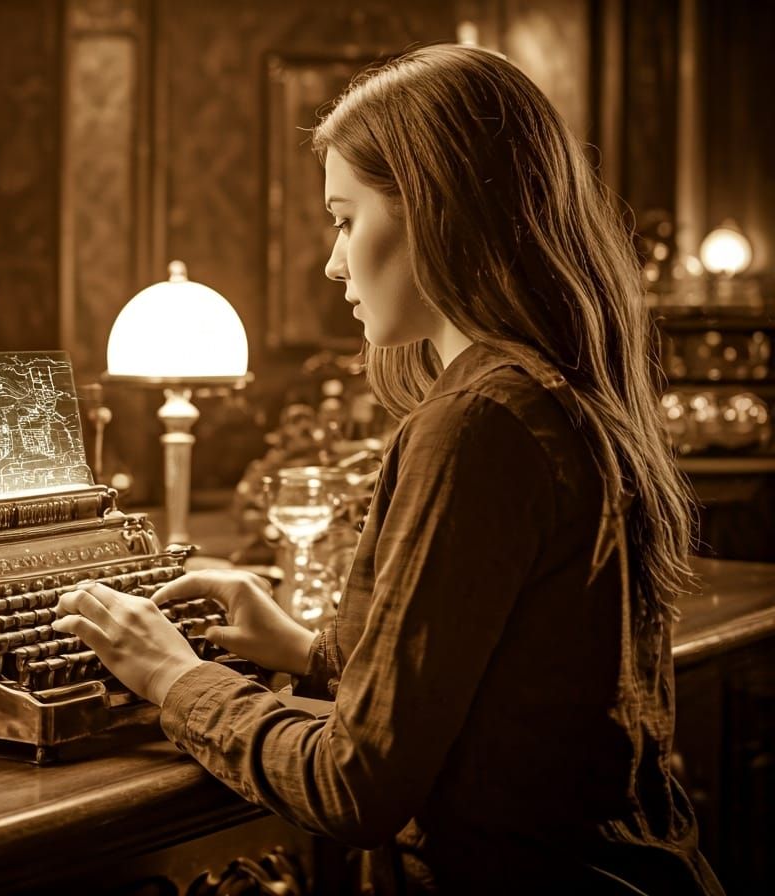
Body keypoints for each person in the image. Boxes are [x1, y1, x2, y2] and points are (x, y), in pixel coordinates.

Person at [53, 43, 726, 895]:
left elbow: (354, 783)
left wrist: (172, 677)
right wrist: (305, 650)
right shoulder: (556, 392)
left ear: (437, 211)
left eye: (343, 218)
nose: (333, 262)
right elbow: (511, 691)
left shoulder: (477, 422)